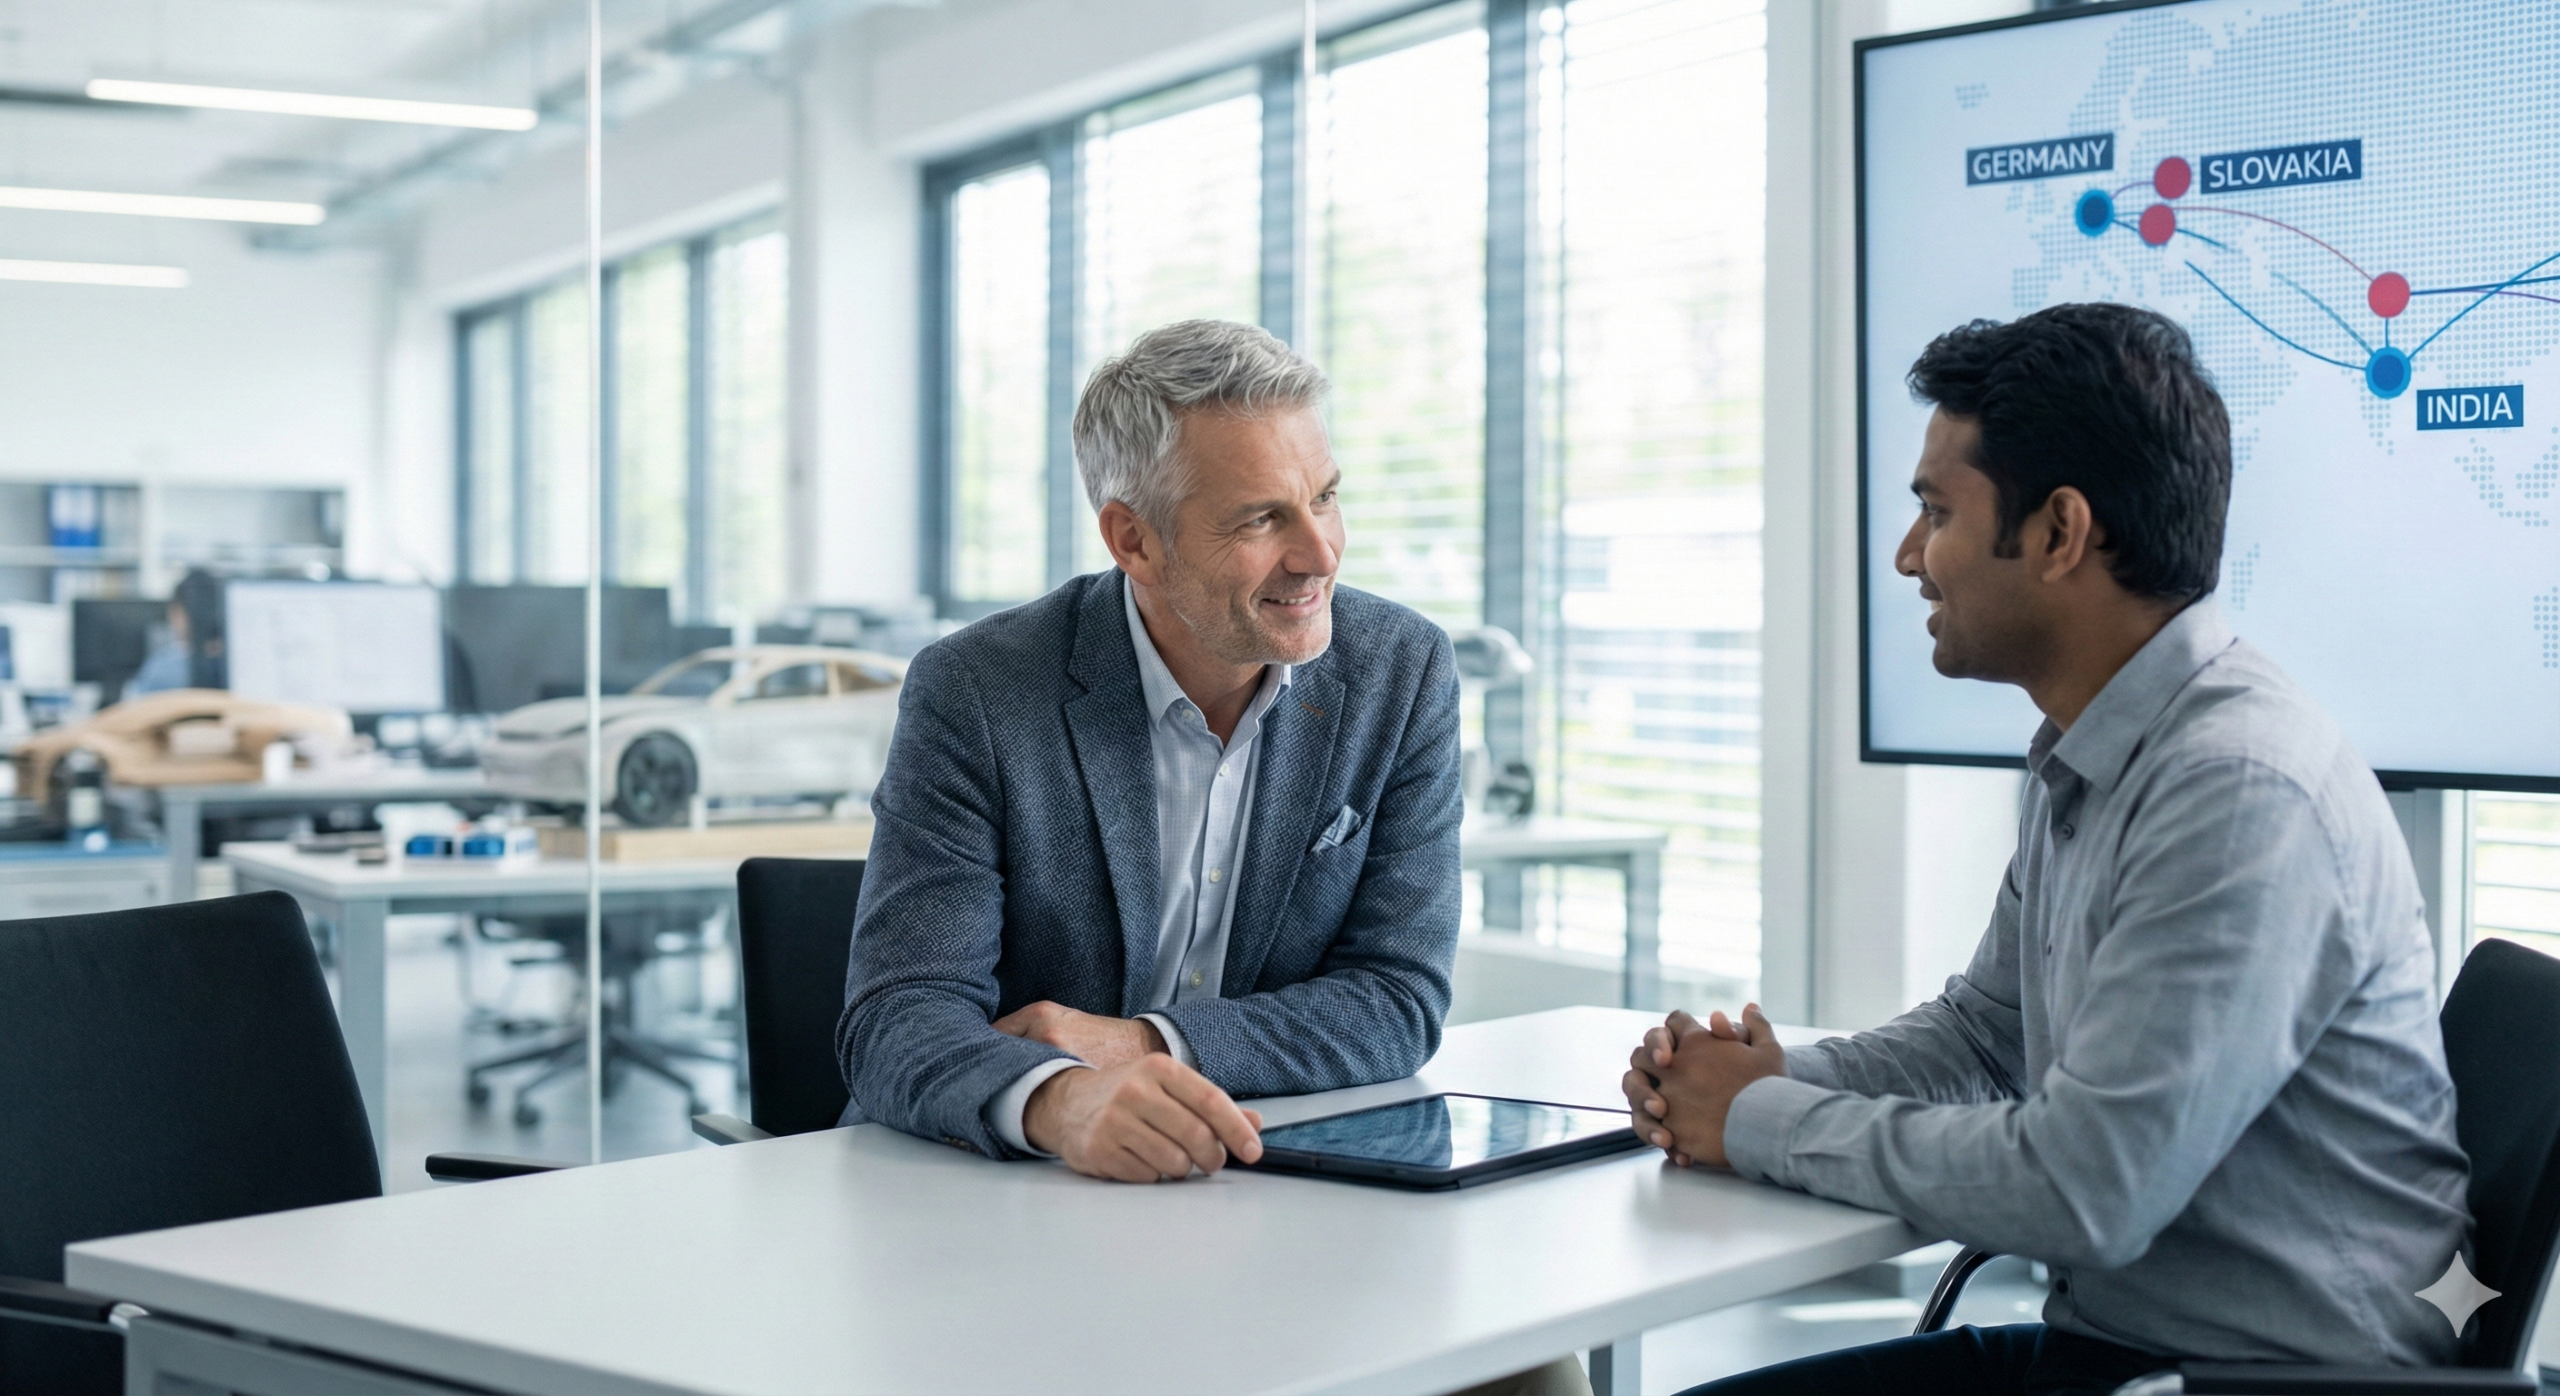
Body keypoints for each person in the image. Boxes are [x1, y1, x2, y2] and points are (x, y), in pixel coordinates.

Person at [1626, 304, 2472, 1395]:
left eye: (1935, 511)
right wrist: (1764, 1074)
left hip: (2250, 1381)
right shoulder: (2093, 747)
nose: (1906, 555)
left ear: (2061, 532)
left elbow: (2087, 1190)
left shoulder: (2235, 790)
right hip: (2121, 1348)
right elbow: (1990, 1038)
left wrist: (1757, 1118)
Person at [837, 318, 1463, 1184]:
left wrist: (1144, 1046)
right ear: (1133, 539)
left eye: (1324, 496)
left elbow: (1396, 999)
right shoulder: (978, 689)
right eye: (1261, 518)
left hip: (1256, 1177)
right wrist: (1060, 1099)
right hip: (992, 1191)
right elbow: (900, 1016)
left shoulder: (1402, 671)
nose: (1320, 554)